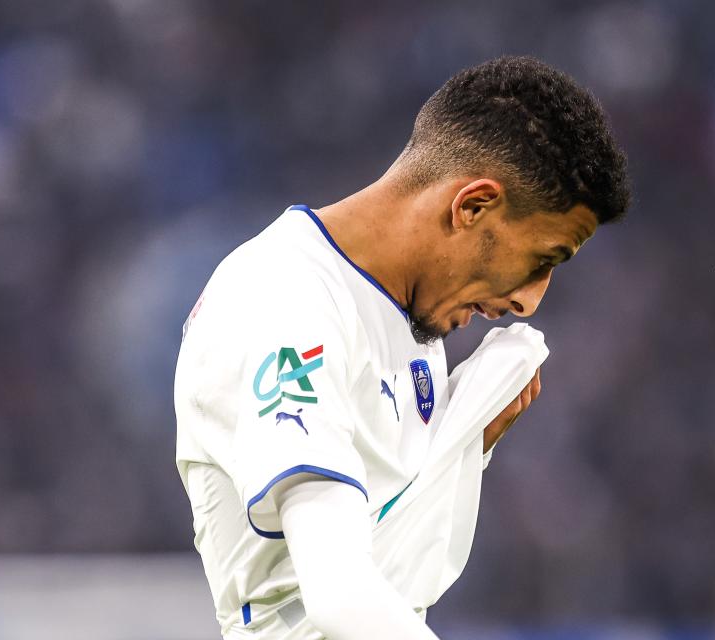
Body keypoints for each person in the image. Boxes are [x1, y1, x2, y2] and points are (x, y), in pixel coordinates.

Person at [174, 56, 630, 639]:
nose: (531, 301)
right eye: (542, 261)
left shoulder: (406, 313)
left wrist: (463, 450)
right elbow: (338, 599)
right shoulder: (286, 305)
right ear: (472, 206)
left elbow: (391, 568)